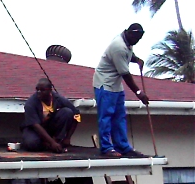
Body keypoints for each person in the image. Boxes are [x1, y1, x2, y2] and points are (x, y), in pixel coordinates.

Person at [93, 23, 150, 157]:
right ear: (128, 33)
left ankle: (122, 147)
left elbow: (129, 54)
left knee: (119, 117)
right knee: (106, 117)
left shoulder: (127, 42)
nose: (136, 41)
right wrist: (139, 93)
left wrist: (136, 59)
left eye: (139, 39)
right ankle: (106, 148)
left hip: (116, 86)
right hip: (105, 84)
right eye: (135, 38)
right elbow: (125, 74)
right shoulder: (118, 46)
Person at [21, 78, 81, 153]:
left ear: (50, 90)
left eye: (42, 90)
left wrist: (68, 138)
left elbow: (77, 115)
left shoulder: (59, 99)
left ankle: (57, 141)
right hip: (34, 130)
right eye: (37, 89)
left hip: (50, 128)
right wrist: (52, 142)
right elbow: (35, 125)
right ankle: (50, 145)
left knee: (67, 112)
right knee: (31, 143)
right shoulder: (30, 103)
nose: (39, 92)